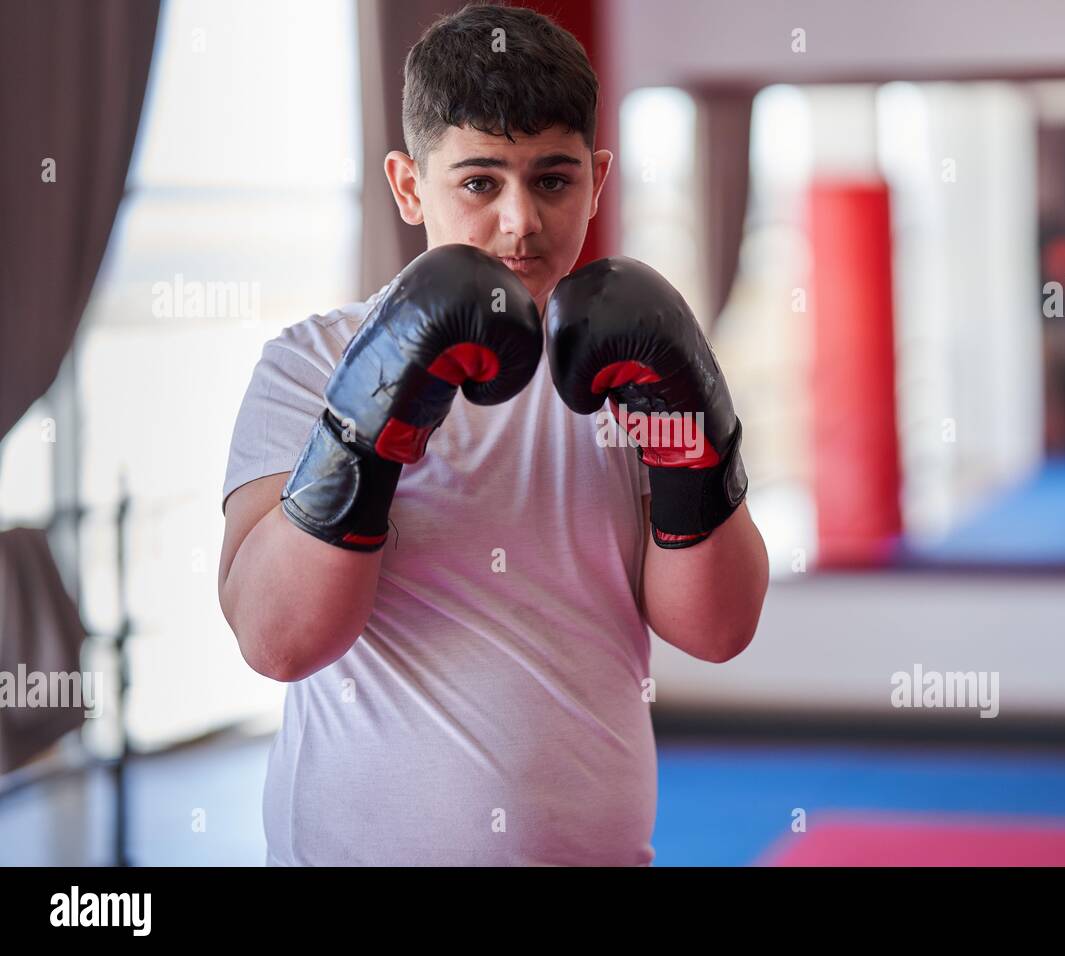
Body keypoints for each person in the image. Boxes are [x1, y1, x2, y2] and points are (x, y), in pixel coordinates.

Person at [216, 3, 768, 866]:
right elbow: (278, 640)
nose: (521, 221)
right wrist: (368, 422)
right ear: (408, 185)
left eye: (552, 179)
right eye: (480, 182)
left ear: (598, 176)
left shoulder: (627, 370)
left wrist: (694, 439)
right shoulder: (311, 363)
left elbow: (719, 628)